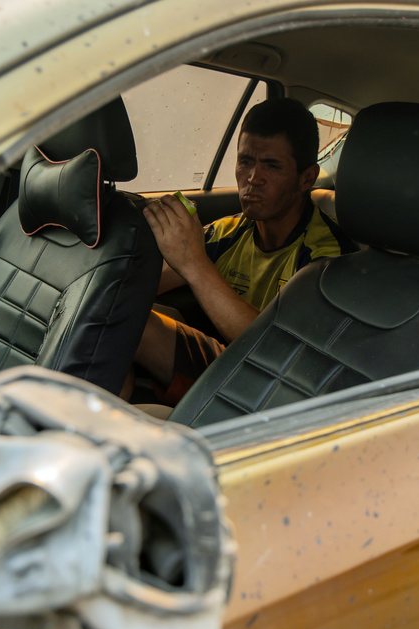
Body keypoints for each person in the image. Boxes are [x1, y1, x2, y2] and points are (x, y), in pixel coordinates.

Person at [134, 97, 355, 404]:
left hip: (272, 388)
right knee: (125, 311)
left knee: (134, 324)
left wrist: (195, 264)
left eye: (272, 166)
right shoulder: (230, 231)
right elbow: (142, 287)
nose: (253, 179)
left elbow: (277, 352)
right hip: (226, 360)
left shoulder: (327, 257)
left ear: (307, 178)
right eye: (245, 162)